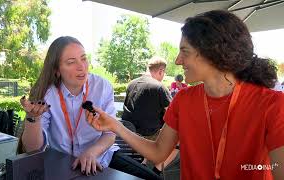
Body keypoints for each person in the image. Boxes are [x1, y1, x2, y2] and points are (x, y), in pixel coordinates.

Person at [85, 10, 284, 180]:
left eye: (184, 51)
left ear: (213, 53)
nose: (178, 60)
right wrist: (114, 125)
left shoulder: (272, 105)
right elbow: (158, 153)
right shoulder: (184, 99)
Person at [19, 36, 161, 179]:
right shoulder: (47, 94)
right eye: (71, 62)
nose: (81, 66)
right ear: (57, 70)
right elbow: (33, 149)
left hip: (102, 157)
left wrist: (91, 152)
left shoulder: (102, 87)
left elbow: (109, 134)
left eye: (83, 58)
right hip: (62, 163)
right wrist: (33, 118)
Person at [121, 56, 173, 174]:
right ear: (161, 71)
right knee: (177, 139)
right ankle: (155, 170)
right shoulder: (159, 87)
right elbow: (173, 114)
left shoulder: (131, 84)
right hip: (149, 136)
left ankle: (143, 164)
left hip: (128, 132)